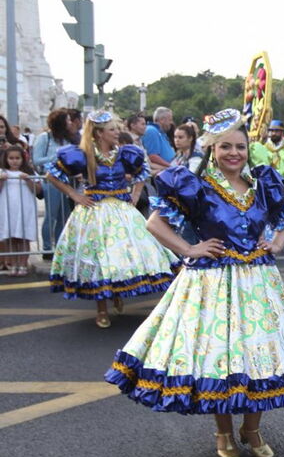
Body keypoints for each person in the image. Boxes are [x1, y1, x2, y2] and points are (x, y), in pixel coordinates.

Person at [104, 108, 284, 457]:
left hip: (258, 282)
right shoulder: (194, 185)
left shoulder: (264, 183)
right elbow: (154, 224)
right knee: (218, 360)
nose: (234, 154)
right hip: (210, 283)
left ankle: (251, 430)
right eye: (225, 147)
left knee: (261, 357)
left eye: (239, 146)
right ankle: (223, 432)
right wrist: (190, 248)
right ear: (212, 149)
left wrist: (279, 241)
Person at [46, 110, 178, 328]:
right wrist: (74, 195)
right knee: (99, 258)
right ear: (98, 134)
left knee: (128, 255)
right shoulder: (81, 155)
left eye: (117, 128)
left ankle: (116, 292)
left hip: (121, 210)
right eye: (112, 130)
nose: (117, 133)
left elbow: (142, 171)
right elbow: (52, 175)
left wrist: (135, 195)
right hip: (93, 212)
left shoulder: (125, 153)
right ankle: (101, 309)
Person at [32, 108, 79, 256]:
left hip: (67, 181)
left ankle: (59, 246)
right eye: (67, 120)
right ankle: (47, 247)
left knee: (63, 216)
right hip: (51, 180)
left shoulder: (67, 139)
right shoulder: (44, 138)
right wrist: (57, 158)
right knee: (51, 215)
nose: (70, 123)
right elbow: (37, 159)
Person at [0, 146, 41, 275]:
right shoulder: (2, 172)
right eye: (11, 158)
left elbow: (38, 190)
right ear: (6, 159)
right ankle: (13, 264)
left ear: (23, 159)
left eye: (17, 158)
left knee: (23, 237)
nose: (14, 161)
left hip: (24, 209)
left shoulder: (30, 172)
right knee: (10, 237)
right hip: (7, 209)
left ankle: (23, 264)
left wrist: (27, 179)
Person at [141, 107, 175, 172]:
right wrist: (171, 167)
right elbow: (152, 156)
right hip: (162, 173)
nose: (171, 123)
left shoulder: (161, 132)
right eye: (170, 120)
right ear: (162, 120)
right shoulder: (151, 130)